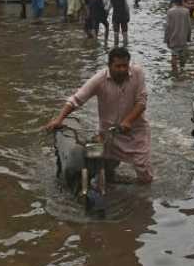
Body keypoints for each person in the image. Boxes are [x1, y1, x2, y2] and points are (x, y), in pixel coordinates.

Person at [44, 46, 152, 184]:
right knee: (106, 171)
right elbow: (76, 99)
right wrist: (59, 119)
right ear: (109, 65)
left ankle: (143, 199)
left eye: (125, 66)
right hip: (110, 133)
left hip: (136, 130)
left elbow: (141, 101)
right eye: (118, 66)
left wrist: (128, 121)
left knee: (143, 171)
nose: (122, 69)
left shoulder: (137, 73)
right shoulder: (99, 80)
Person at [164, 0, 192, 75]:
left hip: (173, 38)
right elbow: (189, 26)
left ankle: (175, 73)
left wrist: (166, 39)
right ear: (182, 1)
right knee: (182, 57)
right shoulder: (186, 11)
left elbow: (167, 27)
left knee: (174, 56)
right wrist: (188, 37)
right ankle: (182, 71)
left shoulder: (170, 12)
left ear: (174, 1)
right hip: (183, 38)